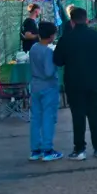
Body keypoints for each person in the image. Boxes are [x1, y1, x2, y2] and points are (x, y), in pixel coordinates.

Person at [53, 7, 97, 160]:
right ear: (86, 20)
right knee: (95, 114)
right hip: (94, 80)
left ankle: (80, 149)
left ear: (72, 21)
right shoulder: (96, 36)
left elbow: (57, 61)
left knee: (78, 115)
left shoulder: (66, 39)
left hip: (74, 82)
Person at [28, 21, 63, 162]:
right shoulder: (48, 52)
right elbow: (49, 72)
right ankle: (47, 149)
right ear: (51, 36)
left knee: (36, 118)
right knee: (48, 117)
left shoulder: (34, 48)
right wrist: (55, 66)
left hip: (35, 85)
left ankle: (35, 150)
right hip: (48, 86)